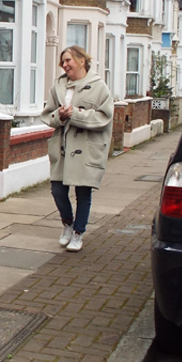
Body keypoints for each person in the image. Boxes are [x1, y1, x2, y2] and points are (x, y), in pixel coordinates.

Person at [40, 45, 114, 252]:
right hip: (63, 148)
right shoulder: (58, 86)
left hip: (86, 149)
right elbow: (48, 114)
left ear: (82, 60)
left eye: (68, 60)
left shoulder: (99, 87)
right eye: (62, 62)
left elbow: (105, 117)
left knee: (83, 192)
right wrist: (61, 116)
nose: (64, 65)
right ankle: (67, 224)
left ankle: (78, 233)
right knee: (57, 191)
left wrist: (77, 114)